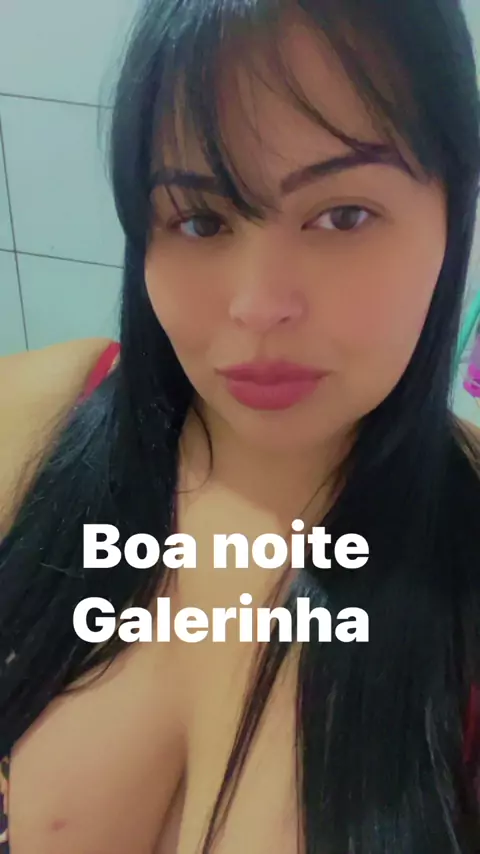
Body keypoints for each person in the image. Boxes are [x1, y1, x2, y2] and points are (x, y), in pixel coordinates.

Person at [0, 0, 479, 851]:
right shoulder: (30, 424)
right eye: (201, 219)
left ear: (454, 215)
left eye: (343, 216)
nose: (258, 306)